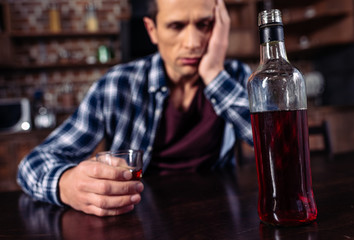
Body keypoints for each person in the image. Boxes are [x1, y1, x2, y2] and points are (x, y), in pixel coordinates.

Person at [17, 0, 253, 217]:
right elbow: (33, 164)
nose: (193, 43)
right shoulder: (118, 84)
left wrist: (214, 75)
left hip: (218, 215)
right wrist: (66, 184)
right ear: (152, 30)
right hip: (137, 217)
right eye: (176, 26)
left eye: (205, 25)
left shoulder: (234, 77)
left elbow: (283, 145)